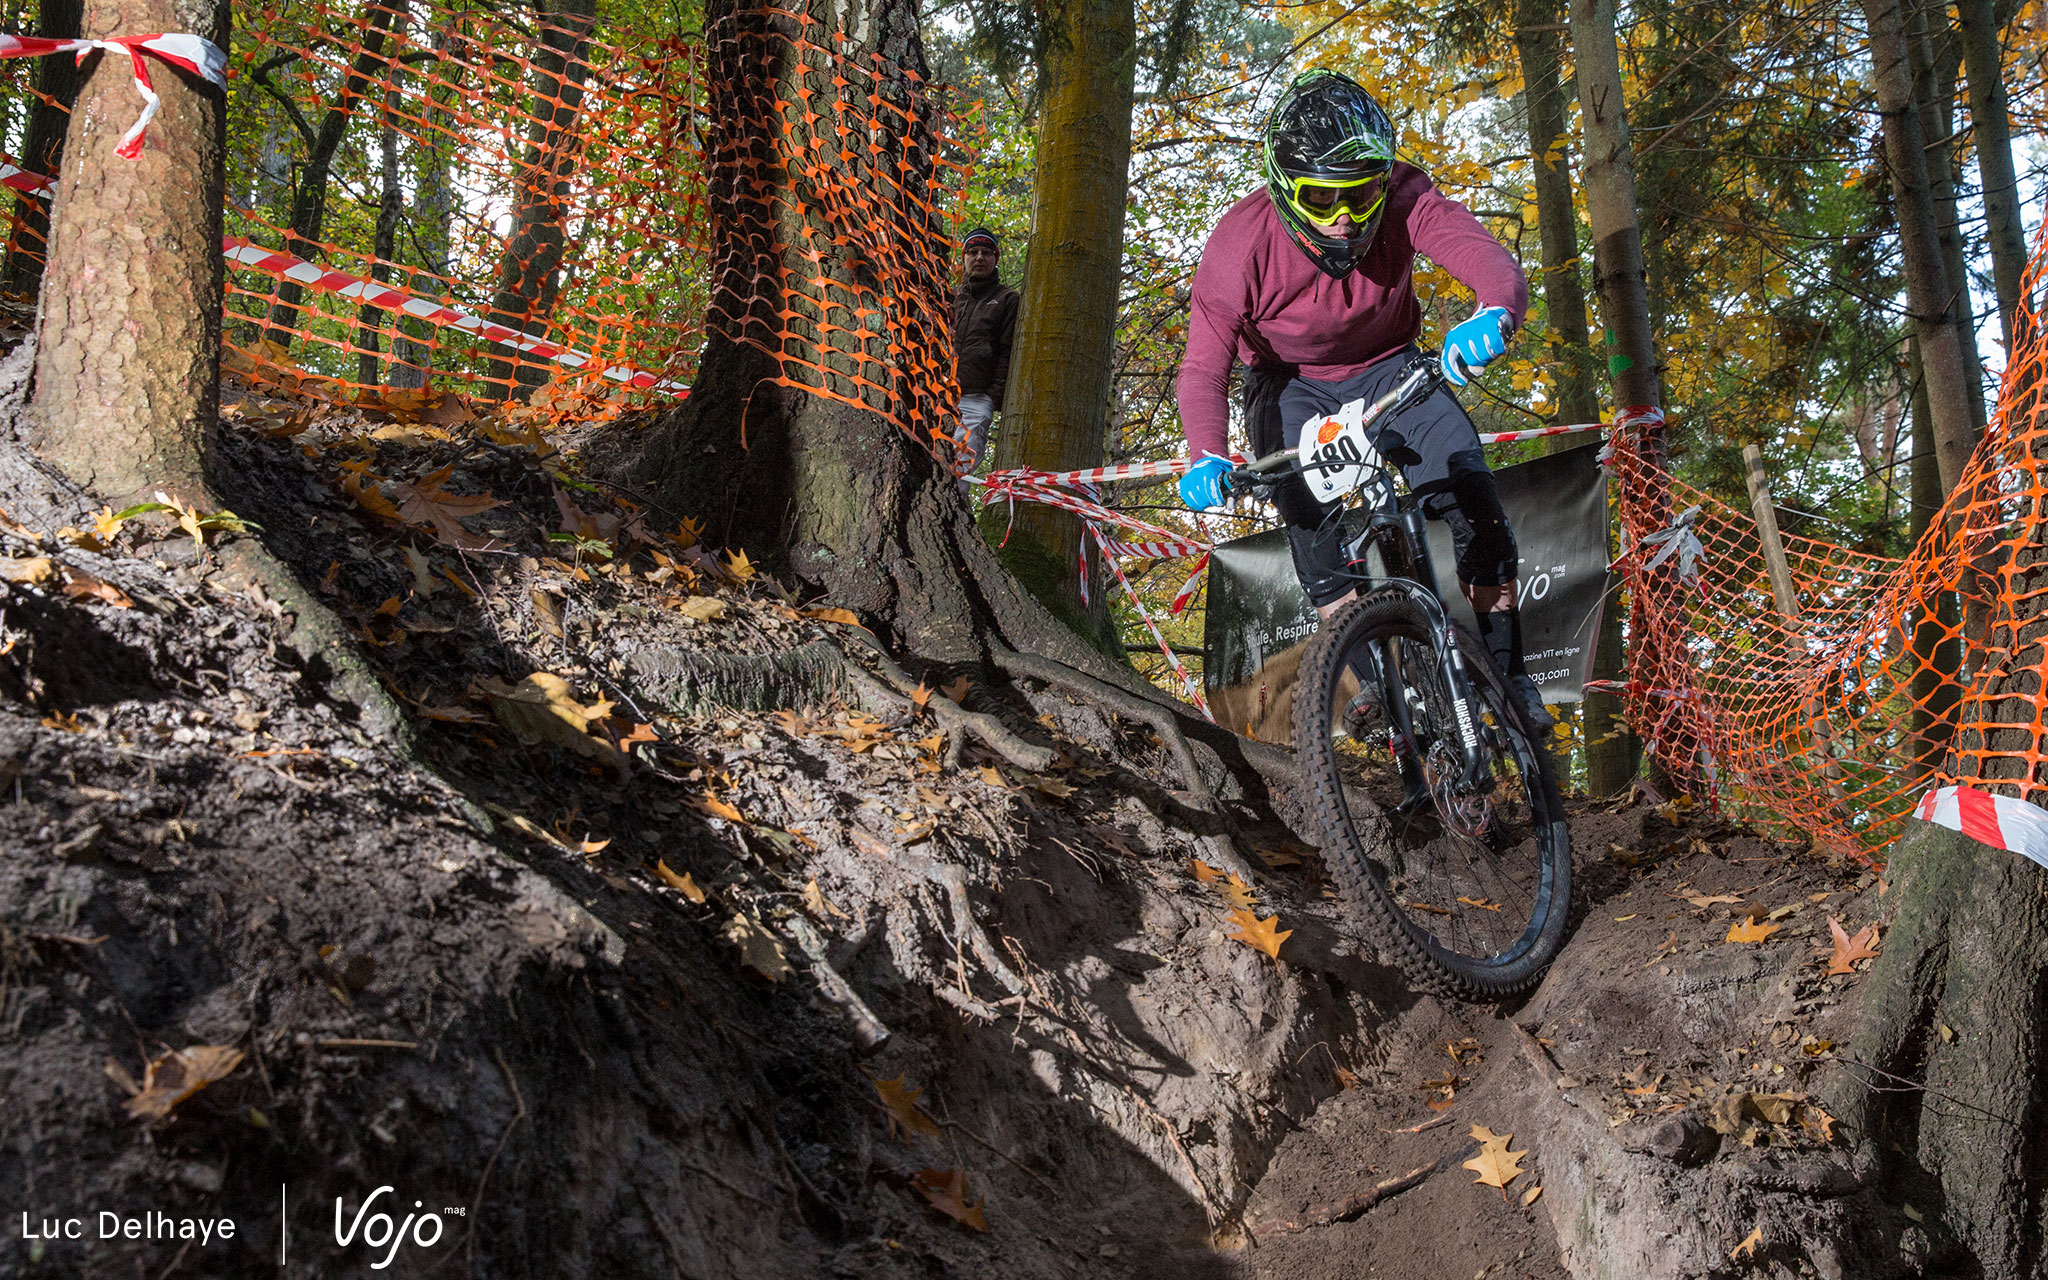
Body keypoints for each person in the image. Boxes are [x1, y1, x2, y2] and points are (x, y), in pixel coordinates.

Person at [1174, 68, 1551, 731]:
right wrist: (1206, 453)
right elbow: (1203, 365)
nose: (1345, 217)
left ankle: (1512, 673)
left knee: (1473, 501)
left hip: (1390, 368)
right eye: (1322, 198)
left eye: (1361, 193)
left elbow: (1486, 258)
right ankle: (1374, 678)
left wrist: (1494, 310)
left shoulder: (1407, 195)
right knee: (1312, 533)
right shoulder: (1240, 243)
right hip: (1289, 383)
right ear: (1286, 190)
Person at [951, 227, 1020, 479]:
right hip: (938, 397)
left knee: (960, 468)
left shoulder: (1007, 299)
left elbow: (1008, 351)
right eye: (973, 252)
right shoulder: (951, 298)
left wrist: (992, 396)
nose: (979, 257)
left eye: (986, 252)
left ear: (995, 258)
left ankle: (956, 514)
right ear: (964, 258)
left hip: (977, 397)